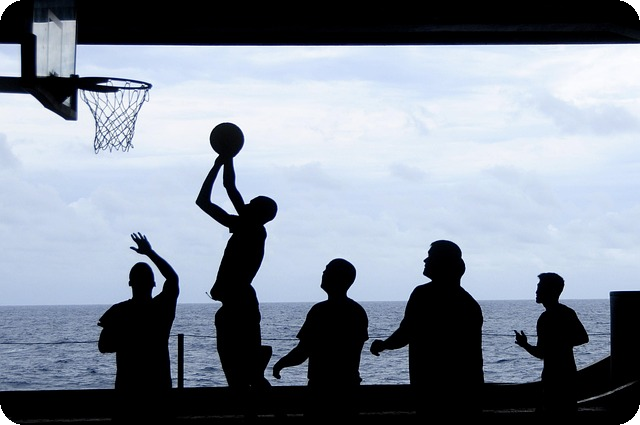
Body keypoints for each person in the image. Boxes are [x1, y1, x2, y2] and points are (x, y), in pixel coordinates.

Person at [196, 126, 277, 391]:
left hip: (240, 305)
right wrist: (222, 161)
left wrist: (224, 160)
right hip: (238, 304)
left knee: (241, 373)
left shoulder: (252, 229)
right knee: (243, 374)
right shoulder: (247, 226)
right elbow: (207, 200)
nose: (246, 204)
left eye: (251, 204)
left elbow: (227, 188)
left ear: (258, 212)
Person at [370, 240, 484, 419]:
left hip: (430, 389)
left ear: (443, 263)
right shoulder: (469, 303)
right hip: (465, 392)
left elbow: (406, 332)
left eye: (430, 257)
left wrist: (384, 345)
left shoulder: (423, 295)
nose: (425, 260)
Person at [97, 232, 179, 423]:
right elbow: (173, 279)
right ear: (154, 284)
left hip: (127, 390)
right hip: (159, 388)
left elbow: (104, 346)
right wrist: (150, 253)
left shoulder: (118, 311)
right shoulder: (161, 308)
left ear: (130, 283)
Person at [272, 258, 369, 421]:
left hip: (321, 388)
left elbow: (303, 351)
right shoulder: (357, 311)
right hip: (349, 386)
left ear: (337, 278)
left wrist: (280, 364)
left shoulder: (319, 311)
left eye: (327, 271)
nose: (323, 273)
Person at [514, 272, 589, 417]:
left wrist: (525, 345)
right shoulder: (567, 312)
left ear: (551, 290)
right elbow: (583, 338)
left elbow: (541, 353)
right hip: (568, 376)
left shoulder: (545, 318)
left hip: (552, 379)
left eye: (540, 287)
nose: (536, 291)